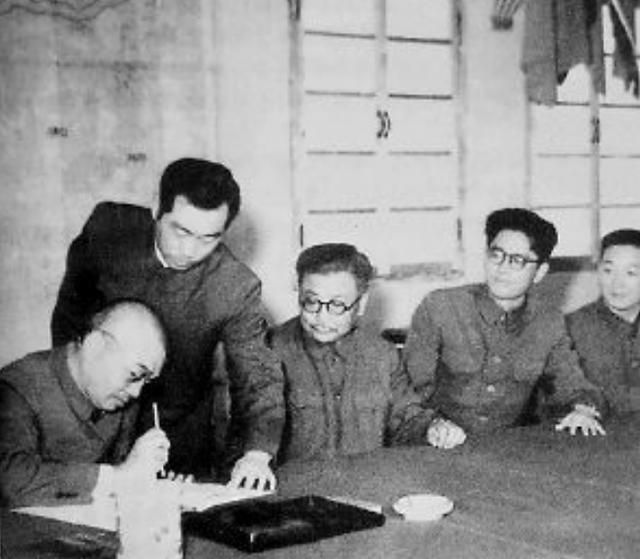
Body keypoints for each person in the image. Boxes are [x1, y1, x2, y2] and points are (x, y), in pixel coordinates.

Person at [51, 158, 284, 489]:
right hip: (91, 421)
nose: (189, 250)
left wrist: (257, 454)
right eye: (181, 231)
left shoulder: (235, 286)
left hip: (175, 435)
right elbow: (69, 316)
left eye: (209, 238)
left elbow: (258, 376)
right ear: (156, 206)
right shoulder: (107, 231)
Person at [403, 207, 605, 445]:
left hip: (506, 450)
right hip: (435, 447)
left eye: (517, 260)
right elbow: (407, 390)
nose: (502, 267)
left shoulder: (548, 322)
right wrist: (430, 424)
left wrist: (583, 409)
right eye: (496, 254)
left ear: (540, 272)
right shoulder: (440, 306)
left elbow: (571, 383)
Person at [269, 243, 462, 463]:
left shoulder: (383, 356)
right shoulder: (271, 350)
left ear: (361, 304)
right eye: (311, 302)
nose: (322, 317)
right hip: (295, 482)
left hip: (363, 480)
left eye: (337, 305)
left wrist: (433, 428)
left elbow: (406, 417)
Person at [0, 300, 169, 507]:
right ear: (95, 345)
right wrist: (116, 478)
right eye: (134, 375)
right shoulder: (18, 386)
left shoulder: (119, 400)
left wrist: (151, 479)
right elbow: (10, 482)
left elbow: (124, 480)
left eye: (146, 381)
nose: (136, 392)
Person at [566, 229, 640, 416]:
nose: (617, 283)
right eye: (608, 270)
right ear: (598, 271)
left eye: (631, 273)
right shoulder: (571, 328)